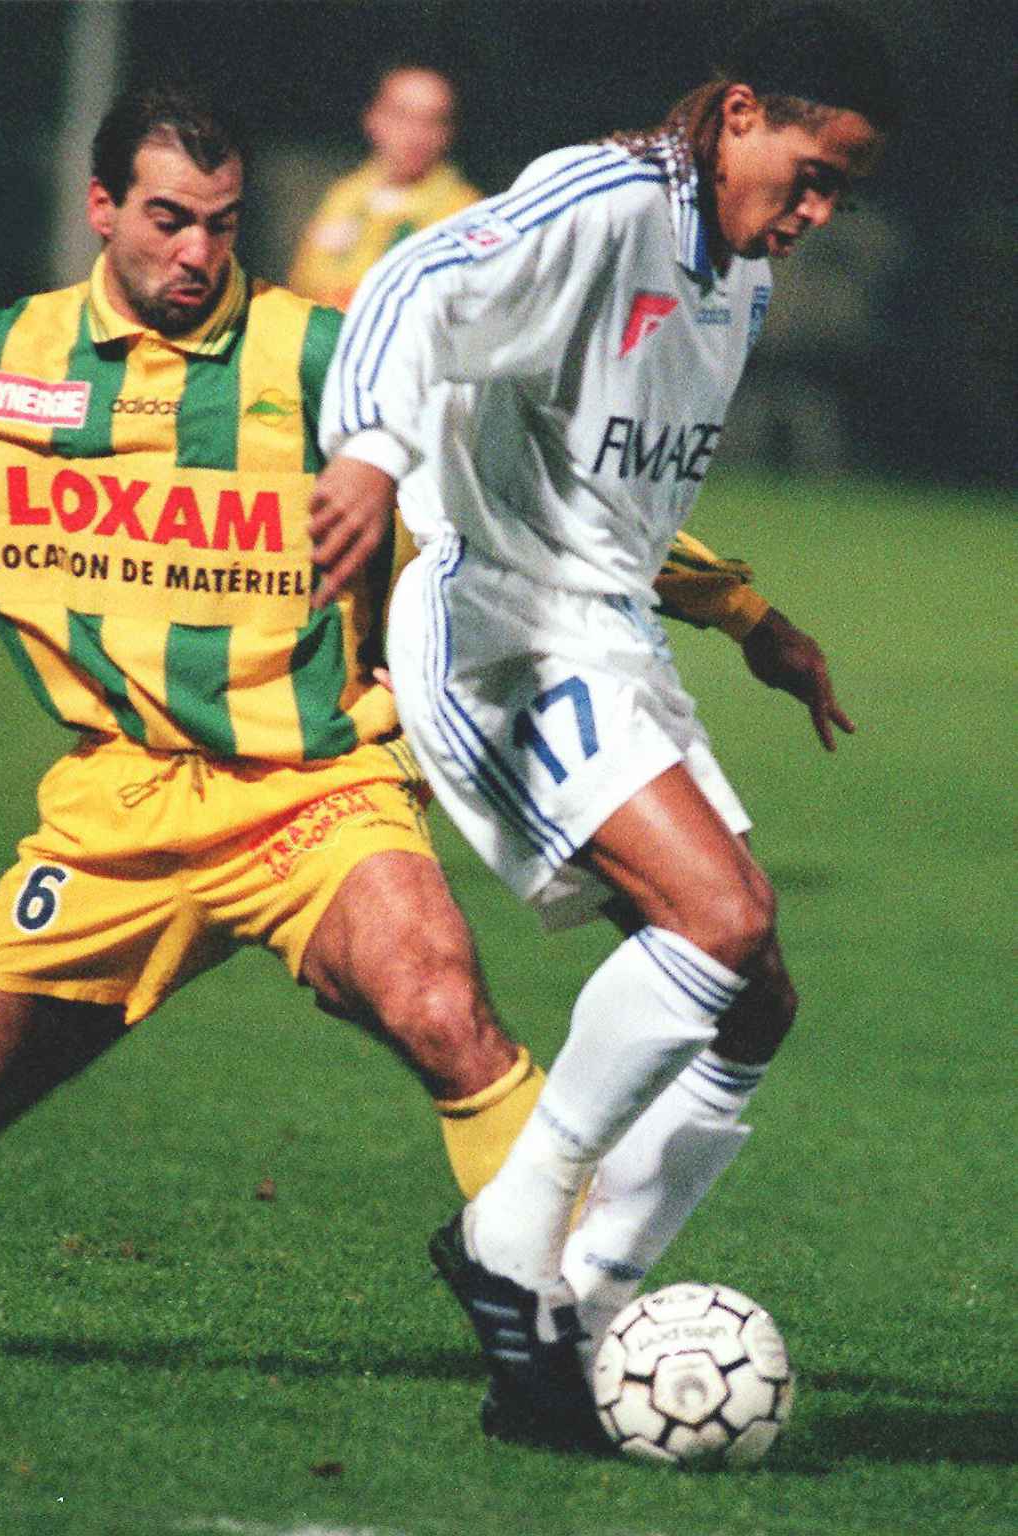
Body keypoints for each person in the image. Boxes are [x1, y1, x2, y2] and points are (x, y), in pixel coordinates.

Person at [0, 76, 830, 1402]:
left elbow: (531, 505)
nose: (197, 253)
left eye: (223, 224)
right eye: (168, 220)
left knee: (445, 1013)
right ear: (101, 207)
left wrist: (740, 609)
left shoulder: (319, 361)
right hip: (115, 818)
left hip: (318, 794)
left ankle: (571, 1325)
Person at [310, 2, 894, 1448]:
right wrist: (371, 454)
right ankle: (510, 1245)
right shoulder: (606, 201)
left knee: (755, 1000)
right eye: (810, 175)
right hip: (501, 631)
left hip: (606, 635)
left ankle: (579, 1307)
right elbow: (410, 281)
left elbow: (607, 505)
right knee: (720, 919)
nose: (816, 213)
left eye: (841, 191)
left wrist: (746, 618)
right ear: (740, 113)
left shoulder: (736, 277)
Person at [287, 60, 479, 311]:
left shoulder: (464, 212)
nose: (416, 134)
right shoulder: (346, 194)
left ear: (448, 133)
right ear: (373, 117)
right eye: (402, 115)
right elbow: (303, 282)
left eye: (433, 120)